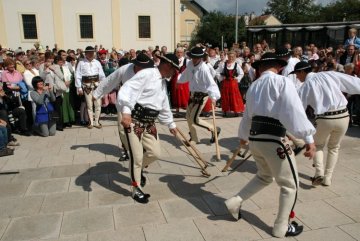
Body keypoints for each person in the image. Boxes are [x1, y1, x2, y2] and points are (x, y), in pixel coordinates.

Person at [225, 53, 316, 238]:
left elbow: (247, 115)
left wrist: (243, 138)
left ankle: (235, 201)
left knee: (265, 176)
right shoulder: (282, 82)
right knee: (290, 185)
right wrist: (309, 139)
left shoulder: (253, 86)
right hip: (274, 139)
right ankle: (282, 227)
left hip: (256, 140)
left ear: (259, 68)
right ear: (279, 67)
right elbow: (294, 110)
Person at [118, 53, 179, 204]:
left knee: (155, 153)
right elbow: (127, 89)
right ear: (167, 65)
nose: (174, 73)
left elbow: (164, 105)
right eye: (174, 69)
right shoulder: (147, 74)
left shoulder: (163, 82)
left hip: (150, 123)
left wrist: (171, 124)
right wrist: (125, 112)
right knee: (137, 157)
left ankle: (136, 170)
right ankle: (135, 188)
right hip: (134, 120)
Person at [294, 61, 360, 186]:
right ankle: (328, 178)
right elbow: (353, 83)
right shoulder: (329, 74)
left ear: (302, 72)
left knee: (318, 145)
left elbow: (298, 110)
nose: (297, 77)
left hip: (325, 118)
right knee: (334, 148)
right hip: (343, 116)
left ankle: (319, 173)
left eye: (297, 74)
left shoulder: (305, 86)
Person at [93, 53, 153, 162]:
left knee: (142, 129)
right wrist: (97, 93)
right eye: (140, 66)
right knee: (122, 130)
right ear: (135, 64)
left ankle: (141, 150)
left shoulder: (149, 72)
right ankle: (126, 151)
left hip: (141, 106)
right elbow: (110, 80)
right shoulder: (125, 69)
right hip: (124, 104)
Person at [178, 47, 221, 144]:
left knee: (194, 119)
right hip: (192, 94)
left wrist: (213, 97)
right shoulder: (189, 64)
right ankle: (194, 138)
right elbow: (185, 74)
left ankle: (214, 129)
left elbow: (211, 83)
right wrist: (179, 80)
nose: (194, 59)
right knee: (188, 117)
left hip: (202, 95)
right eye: (193, 57)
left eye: (197, 58)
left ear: (201, 58)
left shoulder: (204, 69)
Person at [75, 46, 106, 129]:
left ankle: (97, 122)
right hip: (87, 86)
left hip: (97, 86)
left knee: (98, 104)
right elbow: (77, 75)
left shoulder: (97, 62)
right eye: (89, 52)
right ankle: (90, 122)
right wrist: (79, 88)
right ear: (86, 53)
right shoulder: (81, 63)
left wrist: (103, 85)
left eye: (92, 52)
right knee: (89, 105)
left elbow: (102, 75)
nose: (91, 54)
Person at [216, 50, 244, 117]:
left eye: (232, 57)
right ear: (227, 57)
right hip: (226, 83)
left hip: (233, 83)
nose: (231, 58)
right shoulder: (223, 64)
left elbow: (241, 73)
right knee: (225, 97)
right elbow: (217, 72)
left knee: (234, 97)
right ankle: (225, 111)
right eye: (229, 56)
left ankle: (236, 111)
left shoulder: (236, 65)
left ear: (234, 57)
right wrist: (222, 78)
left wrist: (237, 79)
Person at [170, 47, 189, 117]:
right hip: (175, 79)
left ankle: (187, 112)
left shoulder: (186, 60)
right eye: (178, 52)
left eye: (181, 52)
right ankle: (177, 111)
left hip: (184, 80)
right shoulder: (173, 60)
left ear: (183, 53)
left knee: (185, 95)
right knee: (176, 95)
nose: (179, 54)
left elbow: (188, 69)